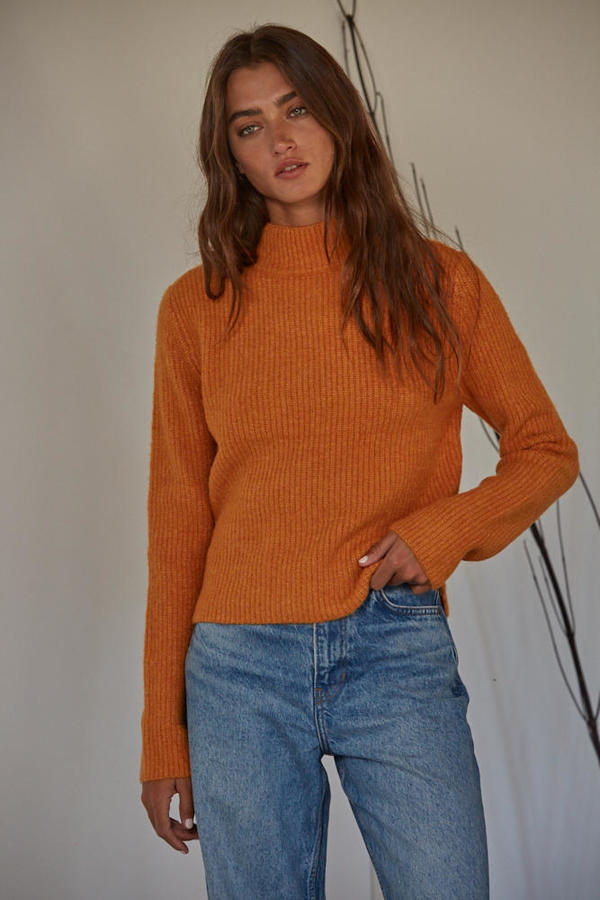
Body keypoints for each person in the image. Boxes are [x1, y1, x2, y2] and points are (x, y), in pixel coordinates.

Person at [139, 23, 579, 900]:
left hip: (394, 647)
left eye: (296, 109)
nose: (280, 139)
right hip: (237, 667)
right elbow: (178, 522)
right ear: (231, 156)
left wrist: (441, 531)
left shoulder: (441, 283)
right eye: (250, 125)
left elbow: (546, 450)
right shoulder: (196, 307)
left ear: (339, 117)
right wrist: (163, 735)